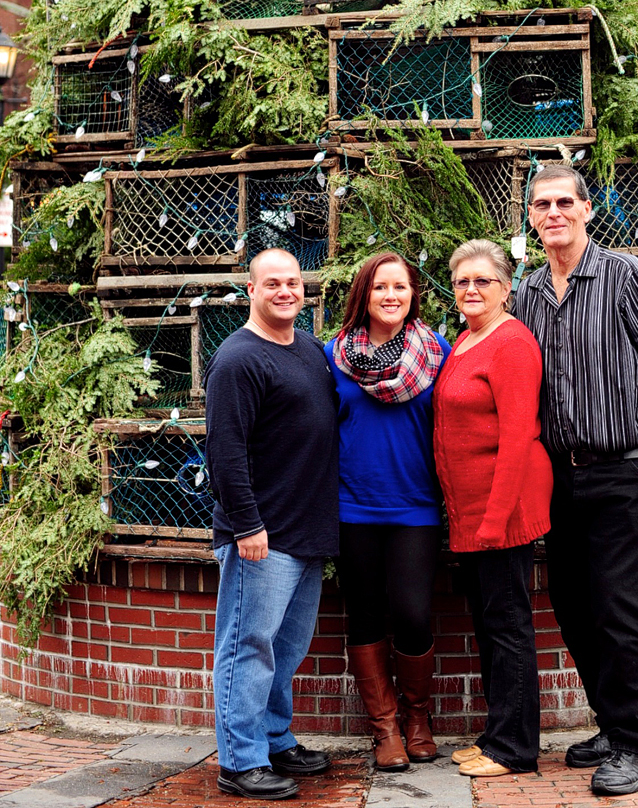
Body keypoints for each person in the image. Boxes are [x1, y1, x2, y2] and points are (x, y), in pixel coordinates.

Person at [514, 165, 638, 798]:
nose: (554, 212)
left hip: (627, 473)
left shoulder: (625, 276)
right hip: (560, 482)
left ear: (587, 209)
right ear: (531, 217)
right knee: (574, 607)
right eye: (543, 204)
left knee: (624, 611)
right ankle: (614, 725)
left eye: (566, 201)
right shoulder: (530, 293)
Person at [205, 248, 339, 801]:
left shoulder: (307, 347)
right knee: (248, 647)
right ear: (251, 291)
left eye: (294, 283)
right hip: (262, 535)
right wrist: (246, 526)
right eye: (273, 284)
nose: (286, 292)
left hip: (306, 531)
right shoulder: (238, 359)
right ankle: (239, 761)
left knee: (286, 649)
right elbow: (225, 450)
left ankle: (274, 737)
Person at [323, 252, 451, 772]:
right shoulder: (334, 354)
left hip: (416, 505)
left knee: (413, 613)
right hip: (354, 505)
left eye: (400, 286)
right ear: (364, 295)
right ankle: (385, 729)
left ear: (413, 294)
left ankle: (418, 718)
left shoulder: (436, 351)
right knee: (366, 614)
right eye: (380, 288)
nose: (391, 296)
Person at [433, 239, 553, 781]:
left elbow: (517, 437)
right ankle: (496, 734)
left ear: (507, 288)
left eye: (483, 280)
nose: (472, 289)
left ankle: (515, 749)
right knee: (490, 625)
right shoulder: (465, 339)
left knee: (507, 627)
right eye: (462, 281)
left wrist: (494, 520)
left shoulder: (511, 343)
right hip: (471, 513)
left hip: (500, 513)